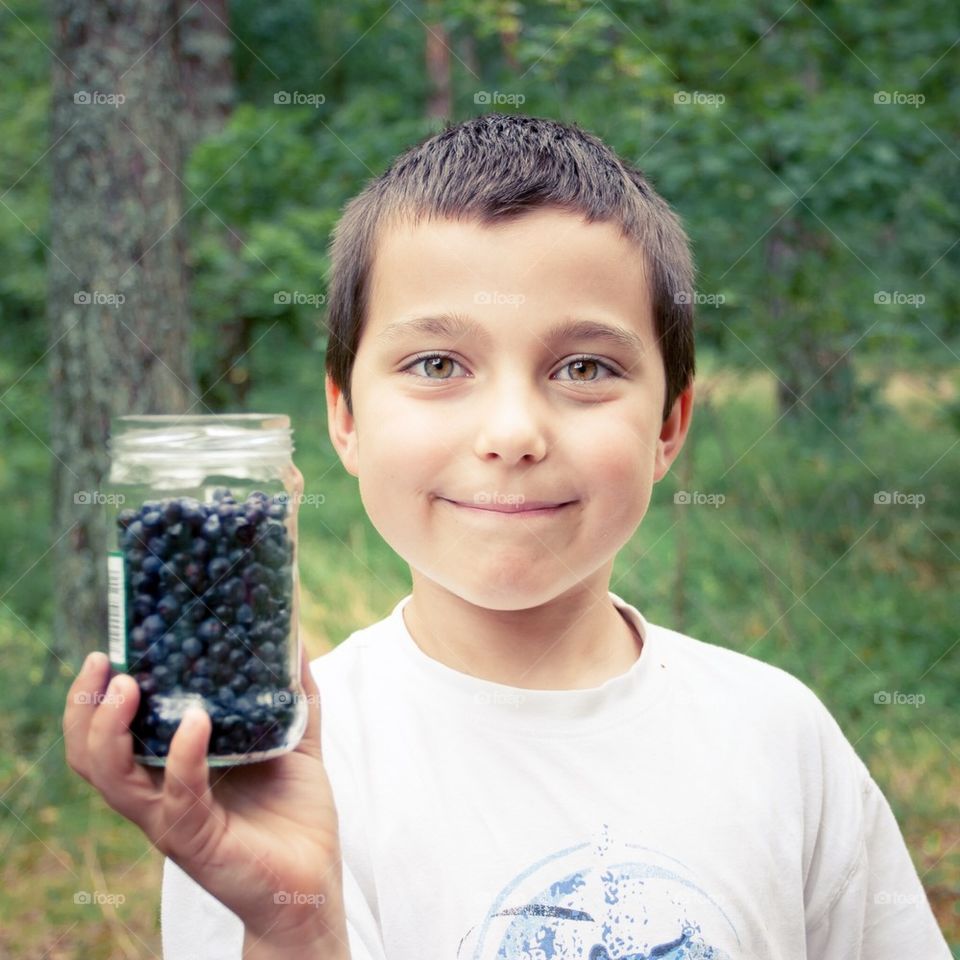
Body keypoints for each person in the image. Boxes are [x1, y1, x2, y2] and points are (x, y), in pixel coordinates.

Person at [63, 113, 951, 960]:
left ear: (670, 426)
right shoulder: (270, 767)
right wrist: (297, 933)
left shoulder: (779, 735)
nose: (514, 431)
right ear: (345, 417)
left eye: (585, 367)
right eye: (438, 365)